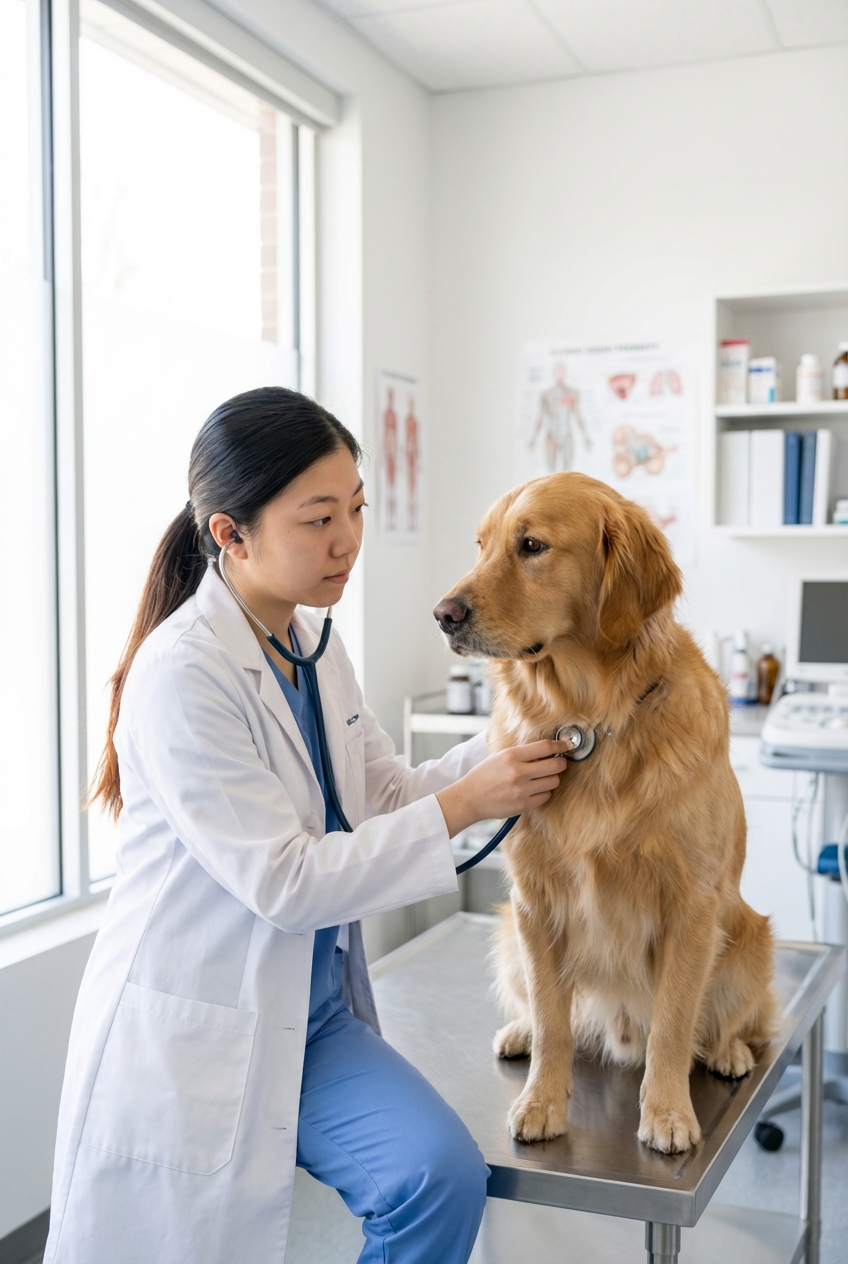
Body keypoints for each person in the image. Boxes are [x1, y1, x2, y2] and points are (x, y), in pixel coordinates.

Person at [43, 387, 569, 1264]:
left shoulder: (316, 645)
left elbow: (383, 798)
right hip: (199, 1027)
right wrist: (471, 801)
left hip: (312, 1018)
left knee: (436, 1177)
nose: (348, 539)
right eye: (318, 518)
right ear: (229, 534)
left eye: (355, 508)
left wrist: (506, 746)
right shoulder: (181, 676)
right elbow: (285, 881)